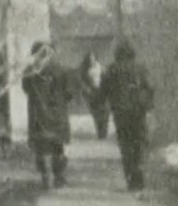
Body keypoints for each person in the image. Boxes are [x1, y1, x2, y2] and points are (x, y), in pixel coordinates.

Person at [102, 38, 156, 191]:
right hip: (138, 112)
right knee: (139, 143)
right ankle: (139, 177)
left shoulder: (111, 69)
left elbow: (103, 91)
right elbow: (150, 88)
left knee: (125, 145)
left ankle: (130, 178)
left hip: (120, 113)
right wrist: (148, 107)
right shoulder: (140, 68)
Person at [21, 41, 73, 188]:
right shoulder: (60, 70)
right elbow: (69, 94)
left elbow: (26, 89)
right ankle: (59, 176)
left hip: (38, 115)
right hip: (58, 116)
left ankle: (46, 176)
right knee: (58, 146)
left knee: (42, 148)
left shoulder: (30, 71)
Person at [81, 51, 111, 139]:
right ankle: (100, 132)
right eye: (90, 59)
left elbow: (107, 79)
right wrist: (87, 89)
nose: (91, 61)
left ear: (96, 58)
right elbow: (83, 82)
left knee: (105, 112)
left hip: (102, 92)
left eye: (93, 58)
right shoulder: (86, 71)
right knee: (96, 113)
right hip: (93, 93)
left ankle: (104, 133)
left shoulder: (101, 68)